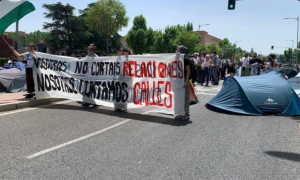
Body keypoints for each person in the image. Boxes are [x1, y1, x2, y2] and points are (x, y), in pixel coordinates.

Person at [114, 47, 131, 112]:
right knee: (118, 92)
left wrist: (127, 57)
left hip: (127, 78)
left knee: (125, 93)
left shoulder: (129, 58)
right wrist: (118, 57)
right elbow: (116, 64)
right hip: (119, 78)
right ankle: (118, 106)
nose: (121, 53)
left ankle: (125, 107)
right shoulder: (119, 58)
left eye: (122, 52)